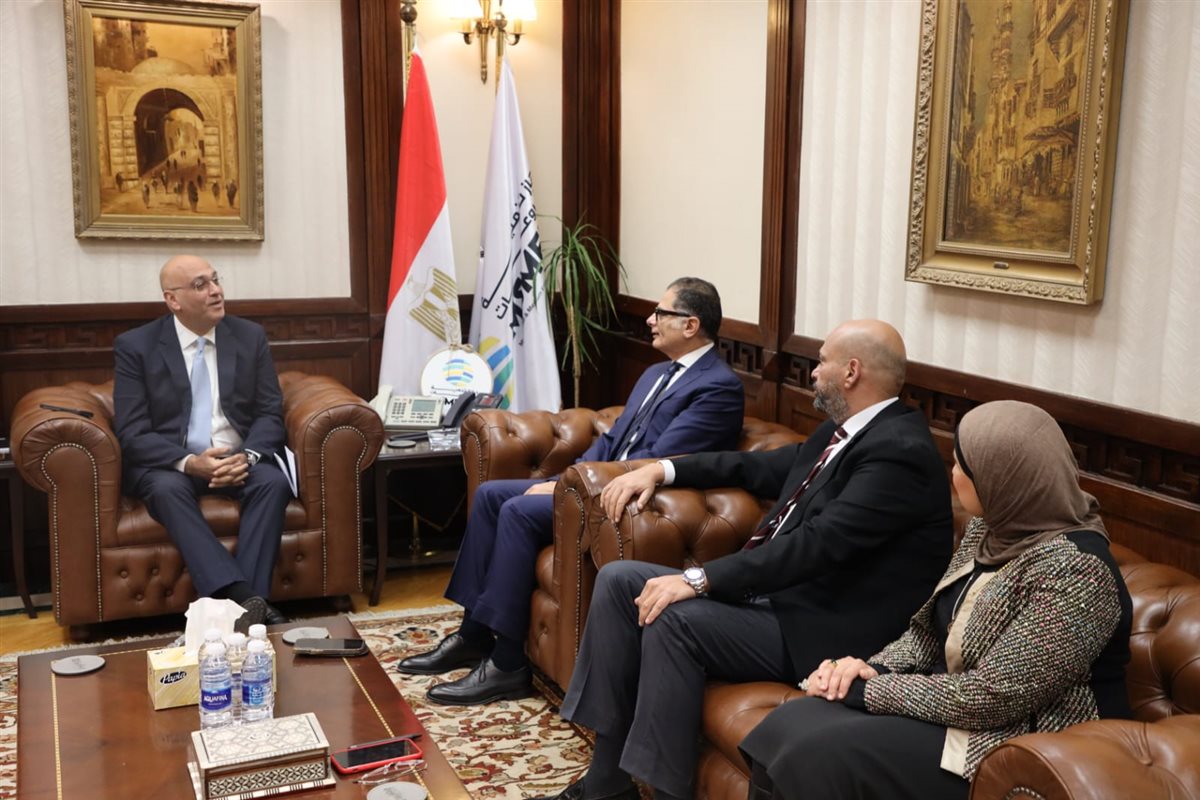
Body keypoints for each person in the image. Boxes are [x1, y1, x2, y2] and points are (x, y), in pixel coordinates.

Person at [534, 319, 954, 800]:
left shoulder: (899, 453)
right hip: (778, 600)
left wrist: (699, 579)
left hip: (820, 627)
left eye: (821, 362)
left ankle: (666, 794)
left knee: (674, 620)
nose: (813, 373)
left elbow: (816, 545)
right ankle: (606, 783)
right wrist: (660, 469)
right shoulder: (843, 433)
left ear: (851, 371)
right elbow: (754, 467)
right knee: (618, 581)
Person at [740, 400, 1132, 800]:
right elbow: (927, 633)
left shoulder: (1078, 571)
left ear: (1002, 479)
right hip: (954, 708)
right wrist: (870, 669)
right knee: (789, 721)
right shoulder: (990, 529)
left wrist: (870, 691)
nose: (953, 473)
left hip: (1019, 745)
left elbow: (993, 698)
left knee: (817, 754)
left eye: (963, 465)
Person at [397, 277, 746, 706]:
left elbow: (658, 461)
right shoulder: (657, 372)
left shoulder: (718, 387)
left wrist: (574, 489)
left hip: (635, 501)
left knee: (517, 512)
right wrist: (564, 479)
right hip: (594, 483)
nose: (650, 321)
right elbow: (613, 439)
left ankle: (507, 663)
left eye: (661, 313)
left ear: (691, 325)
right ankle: (473, 635)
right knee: (490, 496)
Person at [113, 255, 291, 628]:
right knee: (166, 490)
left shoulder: (248, 336)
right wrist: (190, 462)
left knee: (272, 482)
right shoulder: (137, 346)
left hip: (236, 458)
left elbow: (269, 413)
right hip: (172, 464)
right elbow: (132, 431)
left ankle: (241, 610)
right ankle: (244, 599)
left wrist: (248, 457)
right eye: (200, 285)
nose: (216, 291)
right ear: (172, 300)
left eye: (215, 279)